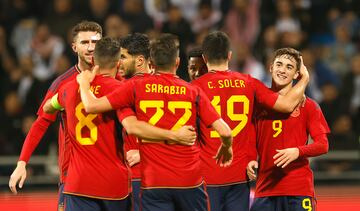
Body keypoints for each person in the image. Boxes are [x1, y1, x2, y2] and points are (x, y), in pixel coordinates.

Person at [75, 35, 234, 211]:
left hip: (153, 181)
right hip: (190, 179)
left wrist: (83, 84)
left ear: (151, 62)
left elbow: (92, 106)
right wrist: (226, 147)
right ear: (178, 62)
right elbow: (226, 132)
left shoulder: (133, 87)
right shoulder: (192, 90)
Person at [43, 37, 197, 211]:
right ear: (116, 62)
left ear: (94, 60)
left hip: (78, 182)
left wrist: (81, 86)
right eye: (121, 58)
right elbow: (134, 126)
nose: (122, 63)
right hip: (119, 182)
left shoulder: (68, 87)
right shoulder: (123, 89)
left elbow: (48, 107)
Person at [191, 31, 309, 211]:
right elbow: (286, 105)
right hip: (240, 174)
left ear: (205, 58)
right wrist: (304, 79)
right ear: (230, 55)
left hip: (207, 175)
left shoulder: (194, 88)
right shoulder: (248, 82)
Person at [9, 20, 102, 211]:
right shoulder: (62, 83)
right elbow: (41, 123)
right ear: (74, 47)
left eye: (95, 42)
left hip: (110, 175)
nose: (91, 48)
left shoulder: (116, 78)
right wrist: (22, 162)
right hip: (73, 177)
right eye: (85, 43)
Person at [247, 48, 330, 211]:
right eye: (279, 64)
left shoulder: (310, 106)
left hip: (298, 189)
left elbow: (323, 145)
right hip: (266, 189)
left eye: (289, 67)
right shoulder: (257, 103)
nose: (282, 70)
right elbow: (250, 137)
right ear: (270, 67)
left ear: (297, 74)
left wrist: (297, 151)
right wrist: (250, 158)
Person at [118, 33, 152, 211]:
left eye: (123, 57)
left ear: (139, 61)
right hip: (147, 174)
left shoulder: (125, 89)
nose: (119, 62)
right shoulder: (166, 84)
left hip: (142, 175)